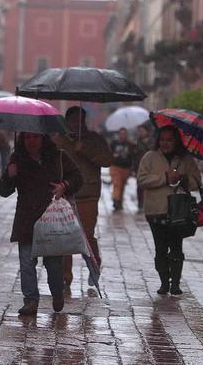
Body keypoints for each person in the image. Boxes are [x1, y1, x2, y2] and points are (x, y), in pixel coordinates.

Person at [0, 132, 82, 315]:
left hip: (52, 221)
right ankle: (30, 301)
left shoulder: (58, 156)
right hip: (27, 221)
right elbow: (3, 191)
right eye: (27, 137)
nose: (31, 141)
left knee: (53, 266)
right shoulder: (17, 159)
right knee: (27, 264)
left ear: (43, 137)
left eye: (35, 137)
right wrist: (10, 176)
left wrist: (64, 186)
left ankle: (57, 292)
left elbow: (77, 177)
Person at [52, 106, 113, 287]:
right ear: (67, 120)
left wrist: (85, 149)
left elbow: (107, 160)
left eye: (80, 120)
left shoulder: (95, 139)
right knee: (65, 236)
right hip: (66, 195)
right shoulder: (60, 141)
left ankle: (94, 267)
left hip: (88, 194)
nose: (76, 124)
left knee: (87, 235)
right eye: (72, 120)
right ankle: (65, 277)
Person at [137, 126, 200, 295]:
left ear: (176, 141)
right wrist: (164, 177)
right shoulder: (149, 157)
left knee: (176, 247)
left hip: (178, 210)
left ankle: (176, 283)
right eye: (163, 139)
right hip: (155, 211)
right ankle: (164, 282)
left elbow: (196, 181)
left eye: (170, 140)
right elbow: (142, 180)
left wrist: (182, 178)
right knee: (160, 248)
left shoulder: (185, 160)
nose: (166, 143)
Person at [109, 127, 136, 211]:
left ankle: (119, 202)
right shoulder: (114, 143)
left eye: (124, 134)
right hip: (115, 166)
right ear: (118, 135)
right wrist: (112, 156)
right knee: (117, 184)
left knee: (122, 185)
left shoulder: (130, 144)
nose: (122, 136)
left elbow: (133, 155)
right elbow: (108, 153)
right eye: (121, 134)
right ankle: (116, 200)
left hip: (126, 168)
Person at [134, 125, 154, 211]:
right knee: (140, 185)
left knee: (150, 185)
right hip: (139, 166)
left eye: (142, 131)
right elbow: (134, 155)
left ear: (147, 131)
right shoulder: (137, 142)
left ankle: (149, 203)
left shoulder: (152, 142)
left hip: (150, 166)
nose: (141, 133)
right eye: (139, 131)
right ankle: (140, 203)